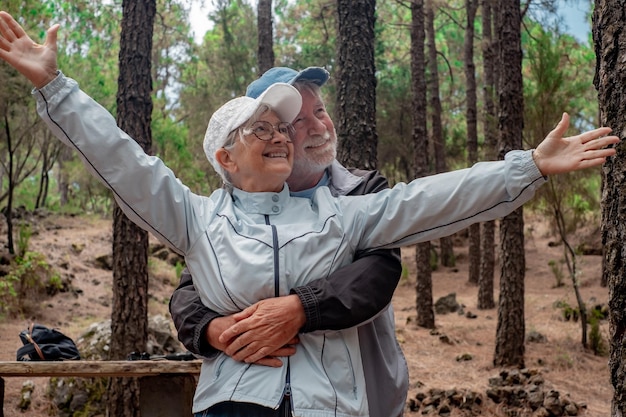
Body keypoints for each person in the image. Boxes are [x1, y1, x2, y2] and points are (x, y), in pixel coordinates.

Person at [0, 11, 619, 417]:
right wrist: (55, 88)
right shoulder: (196, 218)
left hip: (335, 406)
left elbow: (432, 198)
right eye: (260, 128)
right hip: (232, 405)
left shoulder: (343, 214)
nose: (280, 136)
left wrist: (529, 166)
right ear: (224, 153)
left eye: (283, 127)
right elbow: (123, 162)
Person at [169, 66, 410, 417]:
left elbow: (377, 274)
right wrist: (213, 329)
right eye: (297, 121)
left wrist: (300, 309)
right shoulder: (230, 210)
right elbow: (189, 289)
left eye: (321, 111)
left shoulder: (363, 191)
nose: (319, 127)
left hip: (362, 397)